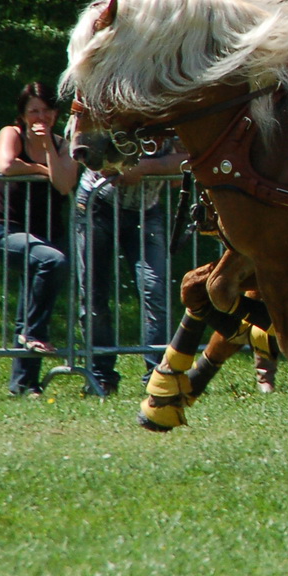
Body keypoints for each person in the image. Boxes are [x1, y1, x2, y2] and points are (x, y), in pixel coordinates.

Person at [74, 138, 186, 394]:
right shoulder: (115, 111)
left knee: (154, 289)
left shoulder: (170, 115)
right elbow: (98, 162)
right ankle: (101, 376)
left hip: (147, 210)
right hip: (96, 204)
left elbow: (185, 162)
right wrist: (153, 166)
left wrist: (143, 168)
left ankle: (158, 377)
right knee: (93, 294)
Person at [0, 82, 77, 397]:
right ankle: (33, 334)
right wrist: (42, 168)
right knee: (53, 261)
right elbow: (6, 164)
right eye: (33, 111)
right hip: (6, 231)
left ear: (55, 113)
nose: (40, 117)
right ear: (23, 115)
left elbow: (65, 184)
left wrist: (50, 150)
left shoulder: (63, 143)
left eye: (46, 110)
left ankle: (23, 385)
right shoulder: (11, 134)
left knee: (31, 304)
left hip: (47, 234)